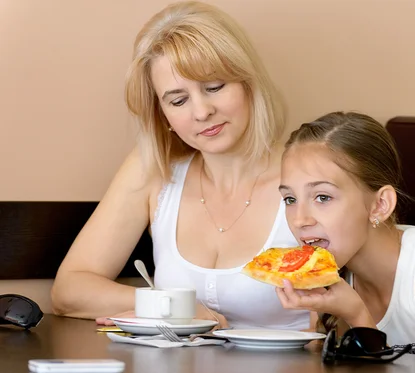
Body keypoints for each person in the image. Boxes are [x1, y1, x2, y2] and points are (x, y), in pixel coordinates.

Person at [51, 1, 309, 330]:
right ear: (163, 114)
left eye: (214, 87)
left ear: (249, 83)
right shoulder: (152, 171)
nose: (201, 112)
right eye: (178, 100)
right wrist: (173, 307)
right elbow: (69, 290)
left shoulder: (308, 178)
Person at [275, 111, 415, 363]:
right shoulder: (333, 275)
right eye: (290, 199)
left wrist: (356, 316)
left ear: (380, 205)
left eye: (323, 197)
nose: (299, 219)